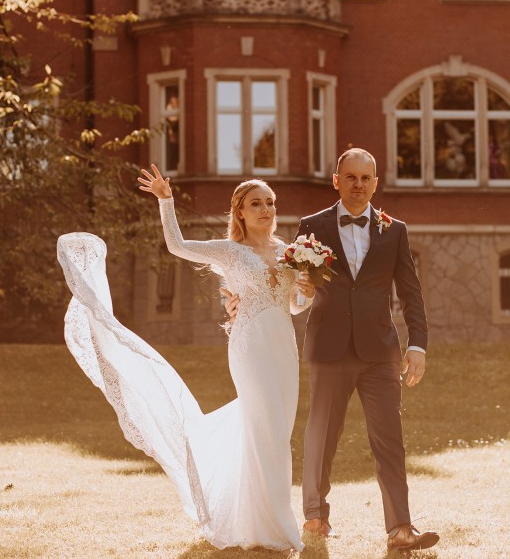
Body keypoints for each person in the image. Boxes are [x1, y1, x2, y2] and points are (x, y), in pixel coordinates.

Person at [55, 164, 314, 552]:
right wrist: (166, 201)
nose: (265, 209)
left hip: (284, 349)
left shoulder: (289, 253)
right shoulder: (231, 252)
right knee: (269, 432)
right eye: (256, 203)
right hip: (251, 348)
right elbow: (177, 246)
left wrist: (308, 289)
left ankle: (257, 519)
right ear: (240, 213)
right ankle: (278, 528)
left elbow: (294, 306)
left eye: (270, 202)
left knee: (277, 432)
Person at [224, 148, 439, 552]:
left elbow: (411, 293)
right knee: (322, 434)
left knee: (390, 440)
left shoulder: (395, 230)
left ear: (375, 183)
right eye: (351, 177)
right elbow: (279, 279)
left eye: (366, 178)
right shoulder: (312, 226)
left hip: (380, 351)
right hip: (329, 346)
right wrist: (236, 301)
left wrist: (418, 344)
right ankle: (315, 516)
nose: (359, 185)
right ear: (336, 181)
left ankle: (400, 528)